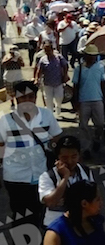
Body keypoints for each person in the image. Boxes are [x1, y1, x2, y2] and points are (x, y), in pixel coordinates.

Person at [0, 81, 62, 228]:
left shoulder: (46, 115)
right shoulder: (5, 121)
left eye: (30, 97)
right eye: (23, 98)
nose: (27, 101)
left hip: (41, 176)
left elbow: (57, 138)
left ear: (36, 97)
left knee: (39, 214)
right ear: (15, 99)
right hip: (15, 177)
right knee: (20, 216)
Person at [39, 136, 95, 228]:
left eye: (74, 157)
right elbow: (51, 202)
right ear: (57, 157)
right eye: (64, 158)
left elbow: (94, 197)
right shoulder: (47, 177)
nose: (69, 161)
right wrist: (65, 177)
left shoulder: (86, 172)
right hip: (56, 226)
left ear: (79, 155)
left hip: (81, 224)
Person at [44, 181, 105, 245]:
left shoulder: (97, 221)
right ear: (84, 203)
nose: (101, 203)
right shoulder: (55, 233)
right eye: (98, 199)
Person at [72, 45, 105, 159]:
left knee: (100, 124)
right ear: (85, 56)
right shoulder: (79, 68)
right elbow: (75, 85)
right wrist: (75, 101)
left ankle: (97, 139)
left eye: (94, 56)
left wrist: (104, 98)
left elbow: (103, 83)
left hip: (97, 99)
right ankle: (86, 147)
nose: (92, 58)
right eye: (90, 55)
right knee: (83, 126)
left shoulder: (100, 67)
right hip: (83, 100)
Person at [35, 40, 69, 118]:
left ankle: (58, 106)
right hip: (47, 83)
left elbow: (65, 65)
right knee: (48, 100)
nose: (47, 52)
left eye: (48, 50)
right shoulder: (43, 59)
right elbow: (39, 70)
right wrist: (37, 79)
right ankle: (50, 115)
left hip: (58, 82)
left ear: (52, 50)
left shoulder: (59, 57)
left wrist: (65, 75)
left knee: (59, 98)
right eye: (45, 50)